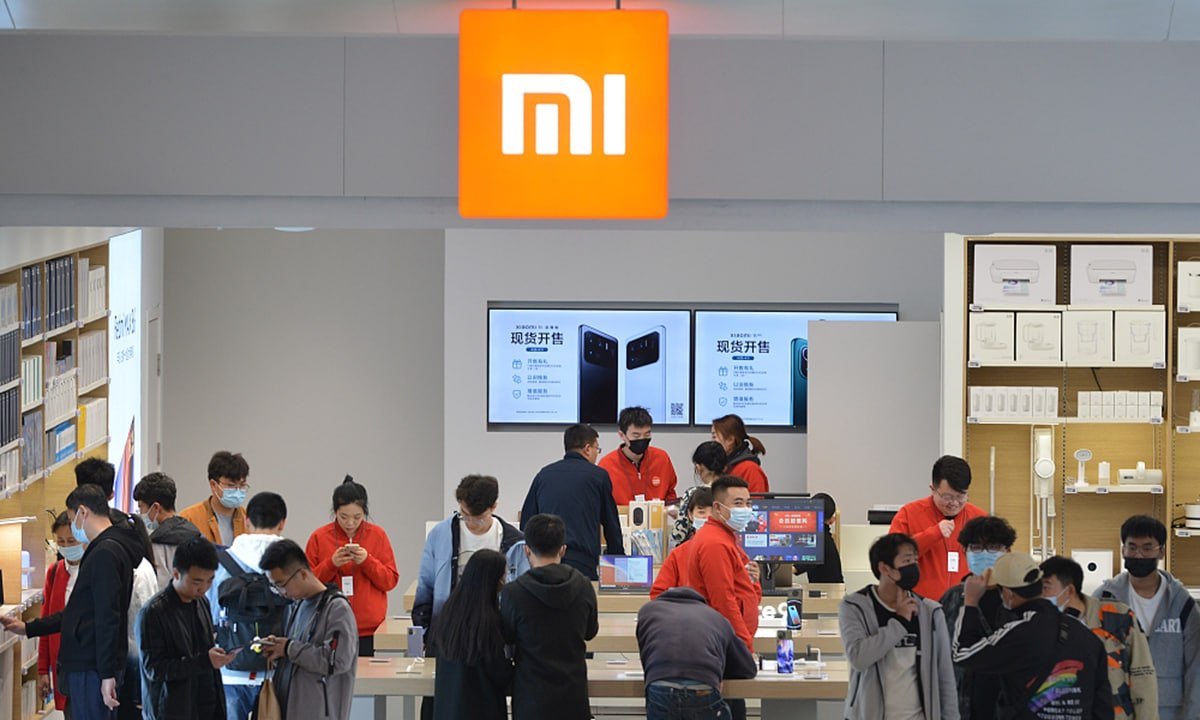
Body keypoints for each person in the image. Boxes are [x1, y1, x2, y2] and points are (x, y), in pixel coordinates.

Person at [1, 484, 144, 720]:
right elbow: (80, 611)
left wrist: (106, 674)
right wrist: (28, 628)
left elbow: (107, 616)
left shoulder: (105, 553)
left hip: (92, 666)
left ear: (83, 512)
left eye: (71, 518)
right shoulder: (109, 548)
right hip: (92, 665)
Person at [953, 552, 1113, 720]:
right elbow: (1102, 706)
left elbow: (962, 653)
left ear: (1008, 593)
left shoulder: (1018, 633)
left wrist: (970, 603)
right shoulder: (1086, 635)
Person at [838, 533, 959, 720]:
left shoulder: (930, 611)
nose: (914, 566)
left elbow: (945, 675)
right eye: (907, 560)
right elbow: (859, 658)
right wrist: (900, 622)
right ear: (885, 568)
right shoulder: (855, 607)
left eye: (915, 561)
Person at [1096, 515, 1200, 720]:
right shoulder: (1104, 598)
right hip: (1117, 708)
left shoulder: (1182, 603)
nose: (1139, 554)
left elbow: (1196, 666)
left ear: (1161, 551)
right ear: (1123, 550)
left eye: (1147, 548)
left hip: (1168, 710)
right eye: (1132, 547)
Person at [500, 514, 598, 720]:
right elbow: (590, 632)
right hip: (574, 695)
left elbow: (507, 637)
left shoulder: (514, 592)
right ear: (563, 549)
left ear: (527, 550)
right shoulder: (583, 586)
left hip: (531, 697)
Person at [1041, 555, 1157, 719]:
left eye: (1045, 587)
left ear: (1070, 590)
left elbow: (1142, 675)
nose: (1040, 595)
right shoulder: (1041, 626)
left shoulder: (1117, 617)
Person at [206, 491, 289, 720]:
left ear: (247, 521)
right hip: (276, 672)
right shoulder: (291, 565)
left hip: (229, 669)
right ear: (282, 523)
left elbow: (211, 614)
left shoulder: (223, 563)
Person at [137, 536, 234, 720]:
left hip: (206, 705)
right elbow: (154, 669)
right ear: (176, 574)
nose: (204, 588)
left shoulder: (202, 602)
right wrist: (204, 661)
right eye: (196, 582)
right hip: (172, 710)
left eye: (210, 580)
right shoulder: (154, 612)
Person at [259, 539, 358, 720]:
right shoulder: (296, 606)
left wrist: (288, 648)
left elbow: (337, 661)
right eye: (275, 587)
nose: (281, 592)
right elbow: (297, 654)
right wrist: (278, 650)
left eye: (281, 584)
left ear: (303, 574)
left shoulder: (337, 609)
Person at [304, 475, 399, 658]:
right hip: (329, 626)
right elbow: (306, 585)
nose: (350, 523)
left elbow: (390, 580)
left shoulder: (377, 535)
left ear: (365, 512)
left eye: (357, 517)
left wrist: (367, 561)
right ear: (335, 512)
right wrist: (331, 564)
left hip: (369, 630)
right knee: (332, 674)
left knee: (365, 675)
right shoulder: (319, 537)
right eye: (343, 517)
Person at [939, 514, 1019, 720]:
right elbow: (939, 653)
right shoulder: (952, 599)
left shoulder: (1018, 599)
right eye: (975, 547)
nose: (984, 554)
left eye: (993, 547)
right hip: (961, 702)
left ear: (1007, 552)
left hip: (1009, 704)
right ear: (964, 551)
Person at [636, 585, 757, 720]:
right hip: (703, 687)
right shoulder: (716, 617)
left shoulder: (647, 611)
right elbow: (747, 668)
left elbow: (646, 652)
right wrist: (718, 673)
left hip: (660, 686)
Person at [520, 424, 624, 580]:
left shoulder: (544, 474)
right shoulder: (598, 476)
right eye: (597, 449)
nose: (597, 454)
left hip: (545, 559)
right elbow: (611, 524)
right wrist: (618, 562)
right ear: (587, 448)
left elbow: (527, 522)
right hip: (583, 561)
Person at [889, 455, 988, 601]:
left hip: (967, 604)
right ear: (933, 489)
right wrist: (932, 534)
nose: (954, 503)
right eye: (947, 497)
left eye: (961, 496)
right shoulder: (909, 514)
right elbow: (892, 557)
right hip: (919, 604)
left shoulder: (980, 518)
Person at [430, 550, 514, 720]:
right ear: (494, 580)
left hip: (449, 709)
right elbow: (499, 673)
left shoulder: (448, 613)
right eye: (504, 575)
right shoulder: (489, 622)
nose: (505, 580)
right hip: (482, 709)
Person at [686, 475, 762, 653]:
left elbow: (743, 590)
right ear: (718, 508)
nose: (745, 509)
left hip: (726, 641)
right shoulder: (715, 543)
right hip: (723, 643)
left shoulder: (726, 539)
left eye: (748, 503)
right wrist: (743, 647)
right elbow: (723, 601)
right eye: (738, 503)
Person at [38, 511, 86, 714]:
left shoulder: (95, 570)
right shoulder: (54, 572)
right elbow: (46, 623)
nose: (66, 546)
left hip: (88, 667)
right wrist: (43, 670)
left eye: (71, 541)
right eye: (61, 541)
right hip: (62, 666)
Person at [134, 472, 203, 590]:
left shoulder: (157, 543)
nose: (140, 512)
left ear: (156, 507)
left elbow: (159, 586)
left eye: (141, 507)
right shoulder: (197, 534)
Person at [598, 406, 679, 506]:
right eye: (636, 436)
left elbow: (670, 494)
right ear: (622, 435)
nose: (642, 439)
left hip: (657, 514)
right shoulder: (607, 465)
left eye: (647, 435)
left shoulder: (662, 458)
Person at [650, 486, 713, 597]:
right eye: (701, 512)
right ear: (690, 515)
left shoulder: (731, 550)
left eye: (712, 513)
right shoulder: (678, 555)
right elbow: (658, 593)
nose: (707, 518)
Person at [179, 451, 250, 545]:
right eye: (231, 485)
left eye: (242, 485)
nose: (237, 491)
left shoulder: (249, 519)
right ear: (213, 484)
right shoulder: (189, 518)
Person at [671, 441, 726, 545]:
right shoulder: (733, 492)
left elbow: (678, 534)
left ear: (698, 467)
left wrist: (680, 513)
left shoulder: (692, 494)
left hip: (698, 547)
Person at [710, 415, 769, 493]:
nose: (712, 442)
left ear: (730, 440)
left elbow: (757, 499)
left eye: (714, 437)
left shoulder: (750, 469)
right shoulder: (723, 467)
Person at [794, 492, 844, 584]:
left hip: (829, 591)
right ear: (831, 520)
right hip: (830, 588)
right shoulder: (824, 537)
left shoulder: (820, 539)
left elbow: (799, 567)